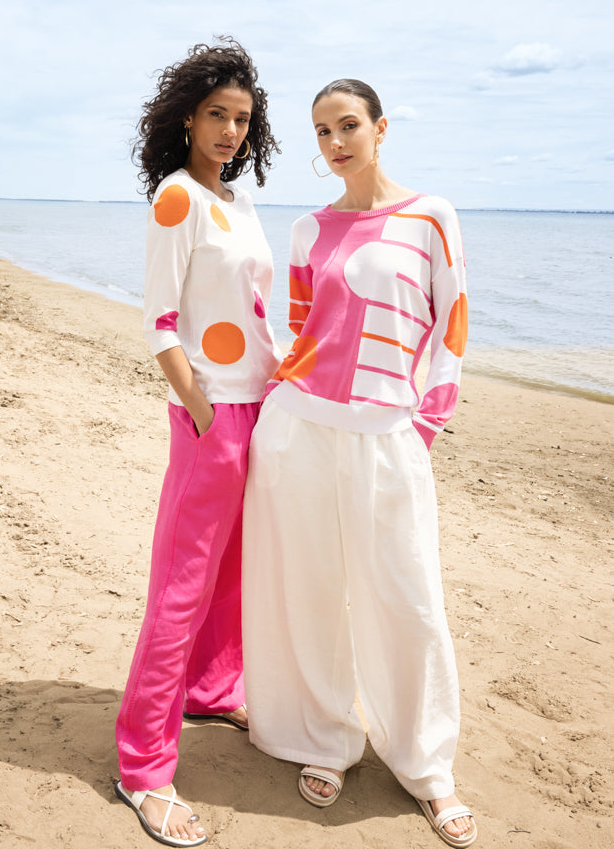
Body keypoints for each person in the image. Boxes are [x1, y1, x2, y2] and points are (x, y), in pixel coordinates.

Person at [242, 79, 477, 847]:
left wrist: (424, 424)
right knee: (308, 592)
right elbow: (301, 328)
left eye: (347, 125)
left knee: (406, 600)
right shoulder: (308, 229)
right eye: (321, 131)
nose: (335, 142)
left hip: (387, 436)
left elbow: (451, 324)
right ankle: (323, 737)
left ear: (380, 127)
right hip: (299, 428)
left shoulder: (430, 216)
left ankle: (426, 768)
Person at [115, 37, 281, 847]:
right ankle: (142, 766)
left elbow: (255, 311)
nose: (229, 131)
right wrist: (202, 411)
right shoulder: (177, 198)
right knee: (182, 587)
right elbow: (159, 323)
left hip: (263, 409)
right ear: (187, 117)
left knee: (232, 574)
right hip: (212, 415)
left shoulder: (239, 203)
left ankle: (211, 691)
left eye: (241, 119)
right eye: (217, 114)